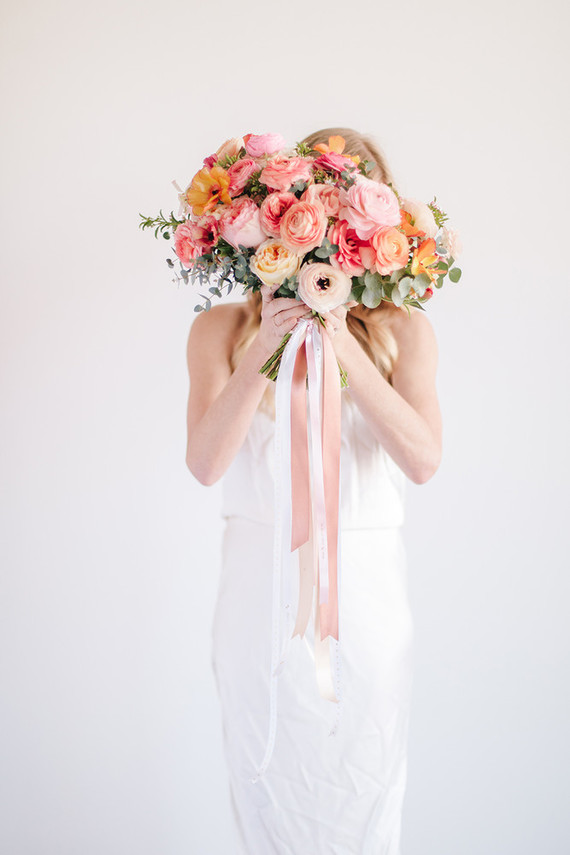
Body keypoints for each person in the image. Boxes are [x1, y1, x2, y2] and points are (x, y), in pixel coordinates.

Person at [185, 127, 442, 854]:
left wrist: (341, 338)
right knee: (264, 777)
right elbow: (205, 464)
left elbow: (423, 460)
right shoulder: (221, 328)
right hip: (256, 585)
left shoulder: (404, 330)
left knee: (364, 779)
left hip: (363, 593)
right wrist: (269, 340)